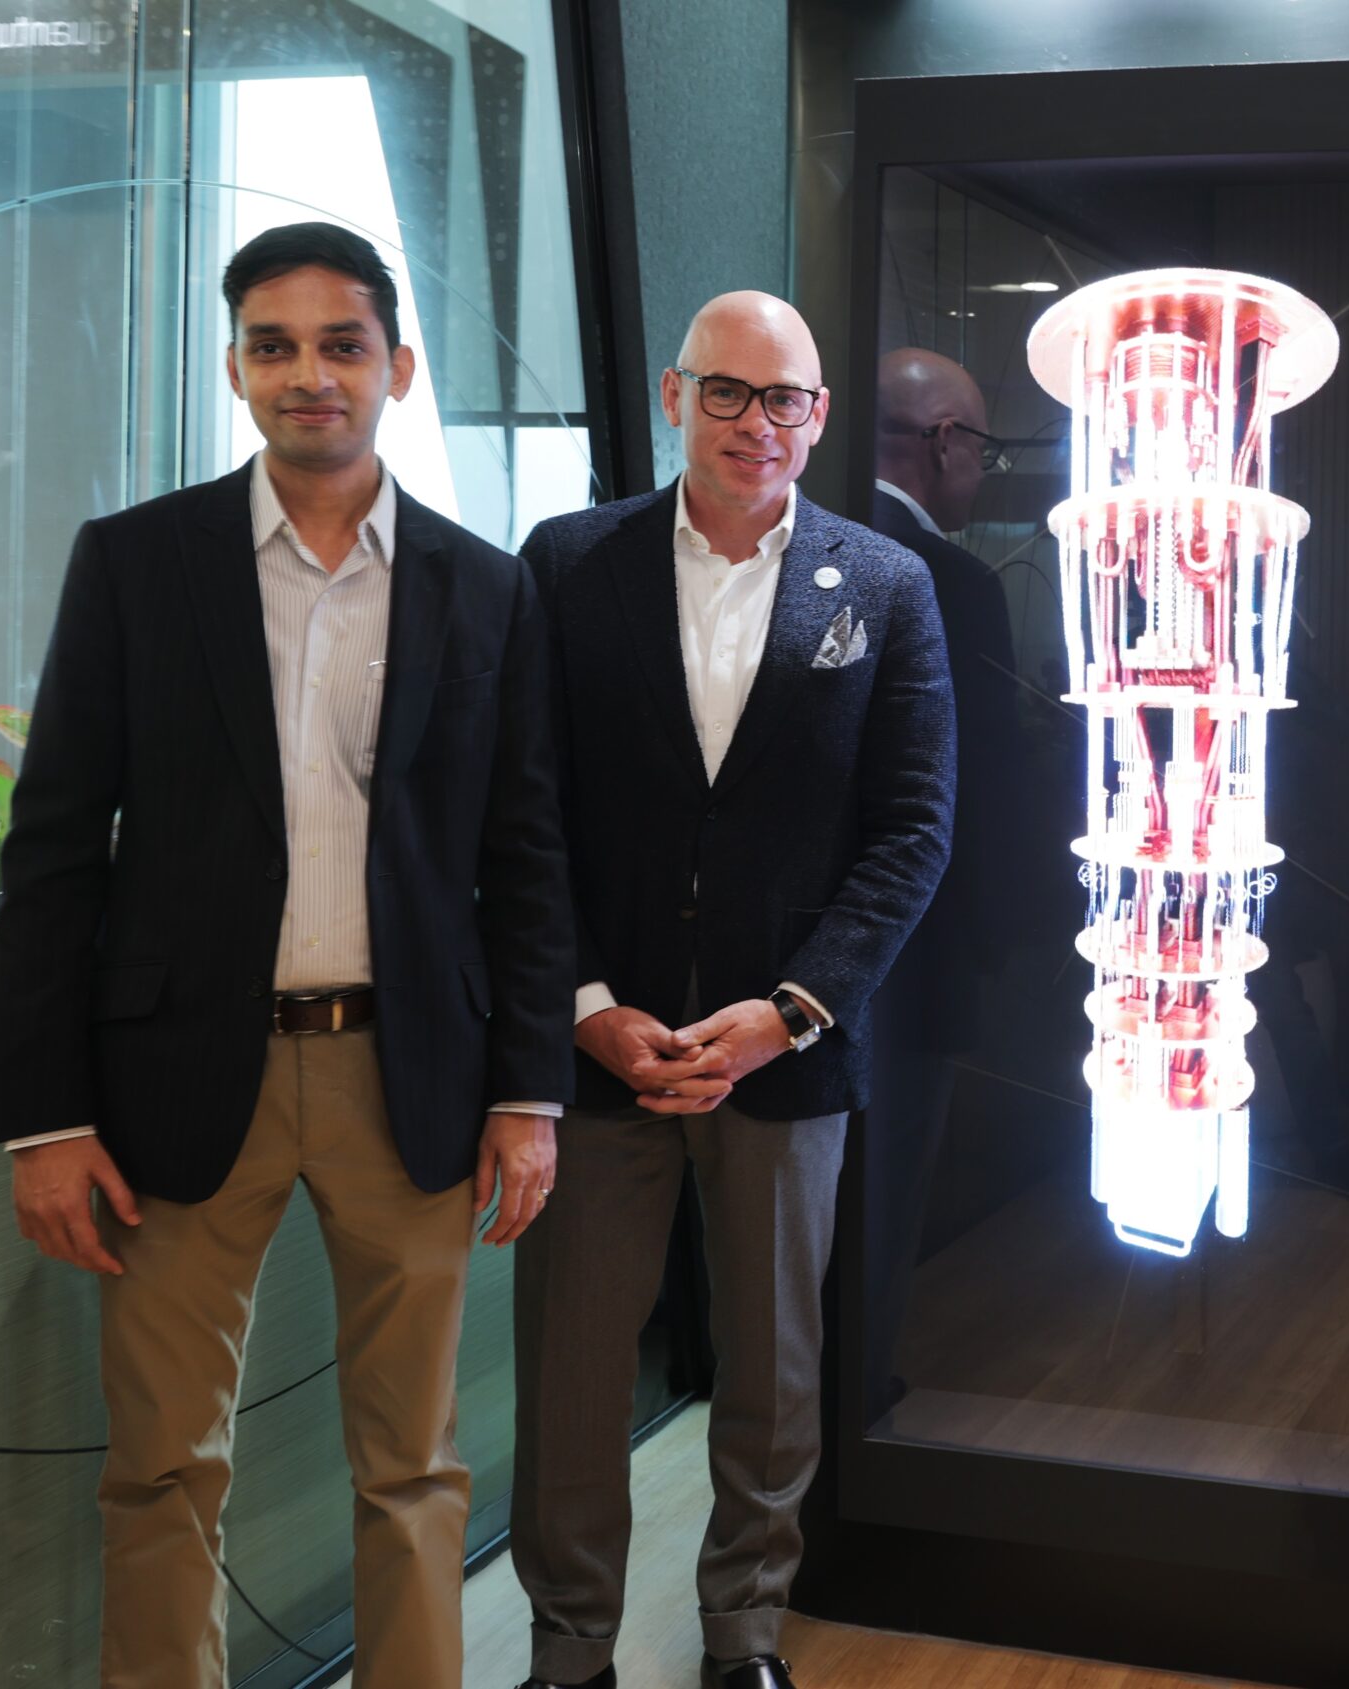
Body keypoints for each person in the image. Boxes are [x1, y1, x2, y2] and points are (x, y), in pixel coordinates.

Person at [0, 220, 574, 1689]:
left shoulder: (486, 587)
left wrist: (529, 1091)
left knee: (417, 1464)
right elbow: (54, 852)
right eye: (274, 345)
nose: (309, 374)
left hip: (411, 1074)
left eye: (341, 345)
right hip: (177, 1078)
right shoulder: (136, 564)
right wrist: (44, 1119)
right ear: (236, 366)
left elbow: (525, 859)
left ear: (398, 367)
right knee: (161, 1464)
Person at [509, 292, 954, 1689]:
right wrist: (585, 1003)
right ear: (673, 395)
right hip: (602, 1049)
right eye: (728, 393)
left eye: (786, 400)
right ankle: (570, 1646)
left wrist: (794, 1009)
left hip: (785, 1051)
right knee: (575, 1375)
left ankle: (742, 1635)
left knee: (775, 1371)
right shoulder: (568, 564)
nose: (758, 424)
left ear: (818, 417)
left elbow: (914, 830)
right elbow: (522, 813)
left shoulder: (884, 583)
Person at [860, 346, 1021, 1402]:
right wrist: (1002, 936)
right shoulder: (952, 582)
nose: (983, 474)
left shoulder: (797, 543)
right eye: (984, 450)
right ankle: (859, 1398)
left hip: (776, 953)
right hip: (913, 957)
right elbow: (984, 787)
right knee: (883, 1198)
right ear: (944, 442)